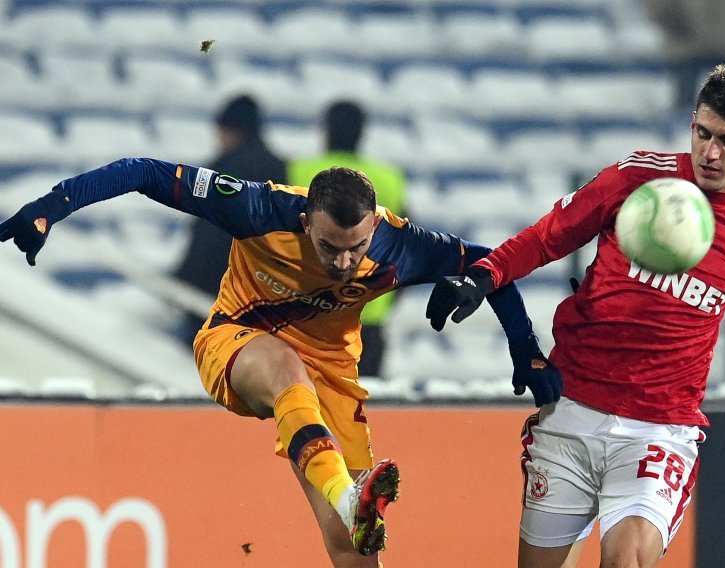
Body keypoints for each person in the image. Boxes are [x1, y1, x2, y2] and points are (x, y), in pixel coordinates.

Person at [0, 161, 562, 566]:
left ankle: (346, 499)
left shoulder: (399, 244)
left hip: (333, 377)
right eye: (329, 247)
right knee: (287, 369)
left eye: (356, 249)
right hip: (238, 343)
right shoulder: (256, 206)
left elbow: (490, 263)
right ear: (306, 222)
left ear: (372, 229)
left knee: (353, 546)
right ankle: (346, 494)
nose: (344, 262)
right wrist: (53, 206)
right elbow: (144, 172)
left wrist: (525, 348)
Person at [425, 63, 725, 568]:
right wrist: (485, 276)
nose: (710, 152)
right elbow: (550, 234)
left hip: (659, 425)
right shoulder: (637, 177)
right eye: (702, 133)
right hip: (573, 403)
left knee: (626, 561)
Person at [288, 100, 406, 377]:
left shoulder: (299, 172)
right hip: (369, 315)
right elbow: (407, 247)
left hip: (312, 314)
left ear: (326, 129)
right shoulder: (389, 179)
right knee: (362, 409)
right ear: (362, 132)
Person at [173, 94, 287, 346]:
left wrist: (183, 278)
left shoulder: (221, 170)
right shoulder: (280, 169)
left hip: (219, 288)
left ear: (230, 130)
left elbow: (207, 235)